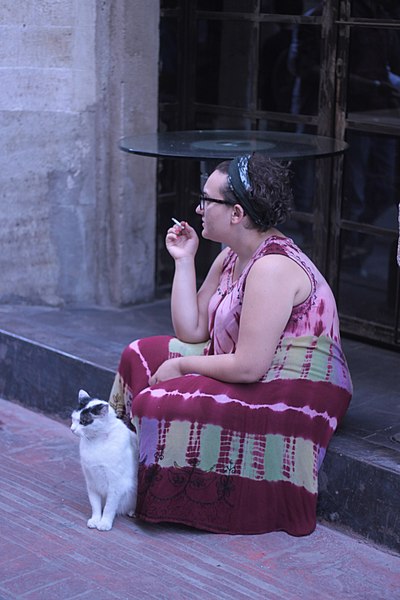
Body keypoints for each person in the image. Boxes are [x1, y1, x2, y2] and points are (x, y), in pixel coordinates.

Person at [109, 153, 353, 536]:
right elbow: (192, 329)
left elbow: (250, 367)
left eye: (207, 200)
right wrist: (184, 261)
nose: (198, 208)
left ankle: (186, 496)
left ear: (236, 213)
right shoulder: (231, 257)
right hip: (247, 366)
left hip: (288, 387)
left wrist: (183, 367)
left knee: (154, 399)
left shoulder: (272, 268)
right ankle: (129, 471)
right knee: (137, 355)